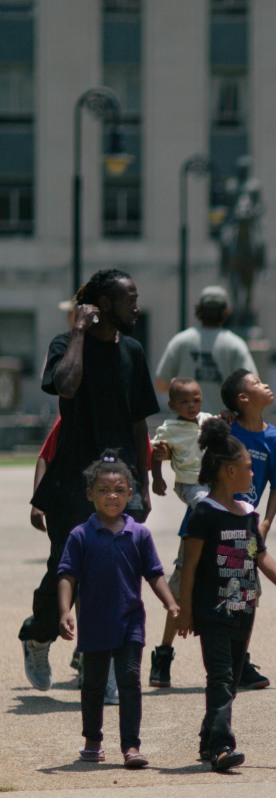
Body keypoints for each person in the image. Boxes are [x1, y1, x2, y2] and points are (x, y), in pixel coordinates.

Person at [22, 268, 160, 693]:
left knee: (120, 570)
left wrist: (146, 477)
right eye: (128, 299)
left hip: (122, 479)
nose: (136, 305)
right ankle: (39, 633)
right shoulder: (66, 346)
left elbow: (139, 423)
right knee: (69, 568)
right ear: (102, 307)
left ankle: (110, 668)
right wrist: (79, 333)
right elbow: (65, 386)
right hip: (73, 480)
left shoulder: (134, 351)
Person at [176, 420, 276, 772]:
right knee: (218, 678)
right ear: (229, 471)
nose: (253, 474)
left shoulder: (248, 514)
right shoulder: (204, 513)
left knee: (230, 681)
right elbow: (189, 565)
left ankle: (207, 741)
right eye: (249, 469)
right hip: (212, 610)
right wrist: (184, 611)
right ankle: (221, 747)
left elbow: (258, 554)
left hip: (244, 608)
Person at [57, 453, 179, 770]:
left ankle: (131, 746)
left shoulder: (139, 534)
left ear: (130, 494)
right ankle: (93, 742)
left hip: (130, 622)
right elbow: (67, 576)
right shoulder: (80, 536)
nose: (112, 496)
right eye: (104, 490)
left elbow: (154, 573)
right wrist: (64, 611)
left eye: (120, 490)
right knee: (94, 685)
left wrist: (170, 601)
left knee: (129, 681)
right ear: (90, 495)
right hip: (94, 623)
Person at [153, 285, 256, 415]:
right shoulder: (235, 345)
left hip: (187, 428)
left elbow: (161, 384)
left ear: (199, 310)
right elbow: (251, 388)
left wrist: (184, 396)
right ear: (225, 311)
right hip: (222, 426)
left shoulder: (181, 341)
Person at [149, 378, 213, 507]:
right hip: (188, 484)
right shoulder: (169, 429)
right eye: (184, 402)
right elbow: (156, 454)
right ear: (172, 405)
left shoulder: (208, 419)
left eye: (196, 400)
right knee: (205, 506)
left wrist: (228, 414)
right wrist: (157, 478)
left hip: (213, 481)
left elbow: (225, 427)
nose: (191, 405)